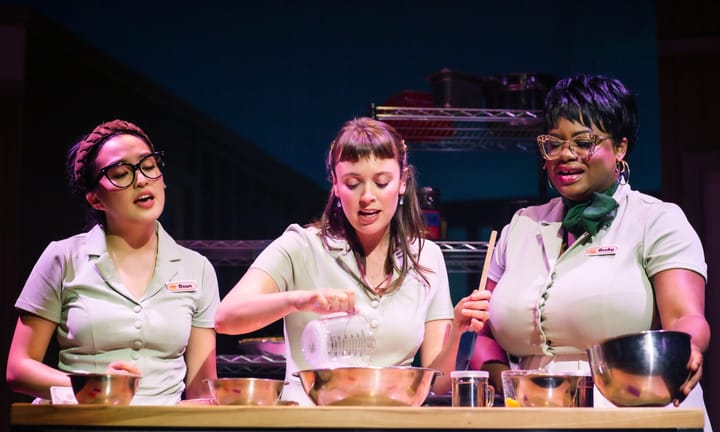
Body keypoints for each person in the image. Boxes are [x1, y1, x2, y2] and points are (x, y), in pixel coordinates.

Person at [470, 74, 711, 428]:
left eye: (584, 142)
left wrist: (688, 345)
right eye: (554, 143)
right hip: (536, 417)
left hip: (635, 413)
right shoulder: (521, 226)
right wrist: (506, 386)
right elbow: (480, 330)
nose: (566, 155)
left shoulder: (655, 220)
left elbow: (686, 318)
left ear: (621, 148)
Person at [215, 117, 490, 405]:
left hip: (394, 421)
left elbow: (440, 382)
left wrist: (458, 327)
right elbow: (225, 318)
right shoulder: (301, 246)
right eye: (353, 183)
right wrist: (300, 300)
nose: (367, 197)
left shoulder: (426, 257)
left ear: (402, 182)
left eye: (382, 182)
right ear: (335, 184)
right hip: (311, 422)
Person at [6, 119, 220, 405]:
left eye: (148, 166)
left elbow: (201, 390)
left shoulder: (198, 268)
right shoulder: (63, 257)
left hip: (163, 424)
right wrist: (94, 387)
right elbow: (18, 368)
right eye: (121, 173)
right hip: (79, 421)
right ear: (95, 200)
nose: (141, 180)